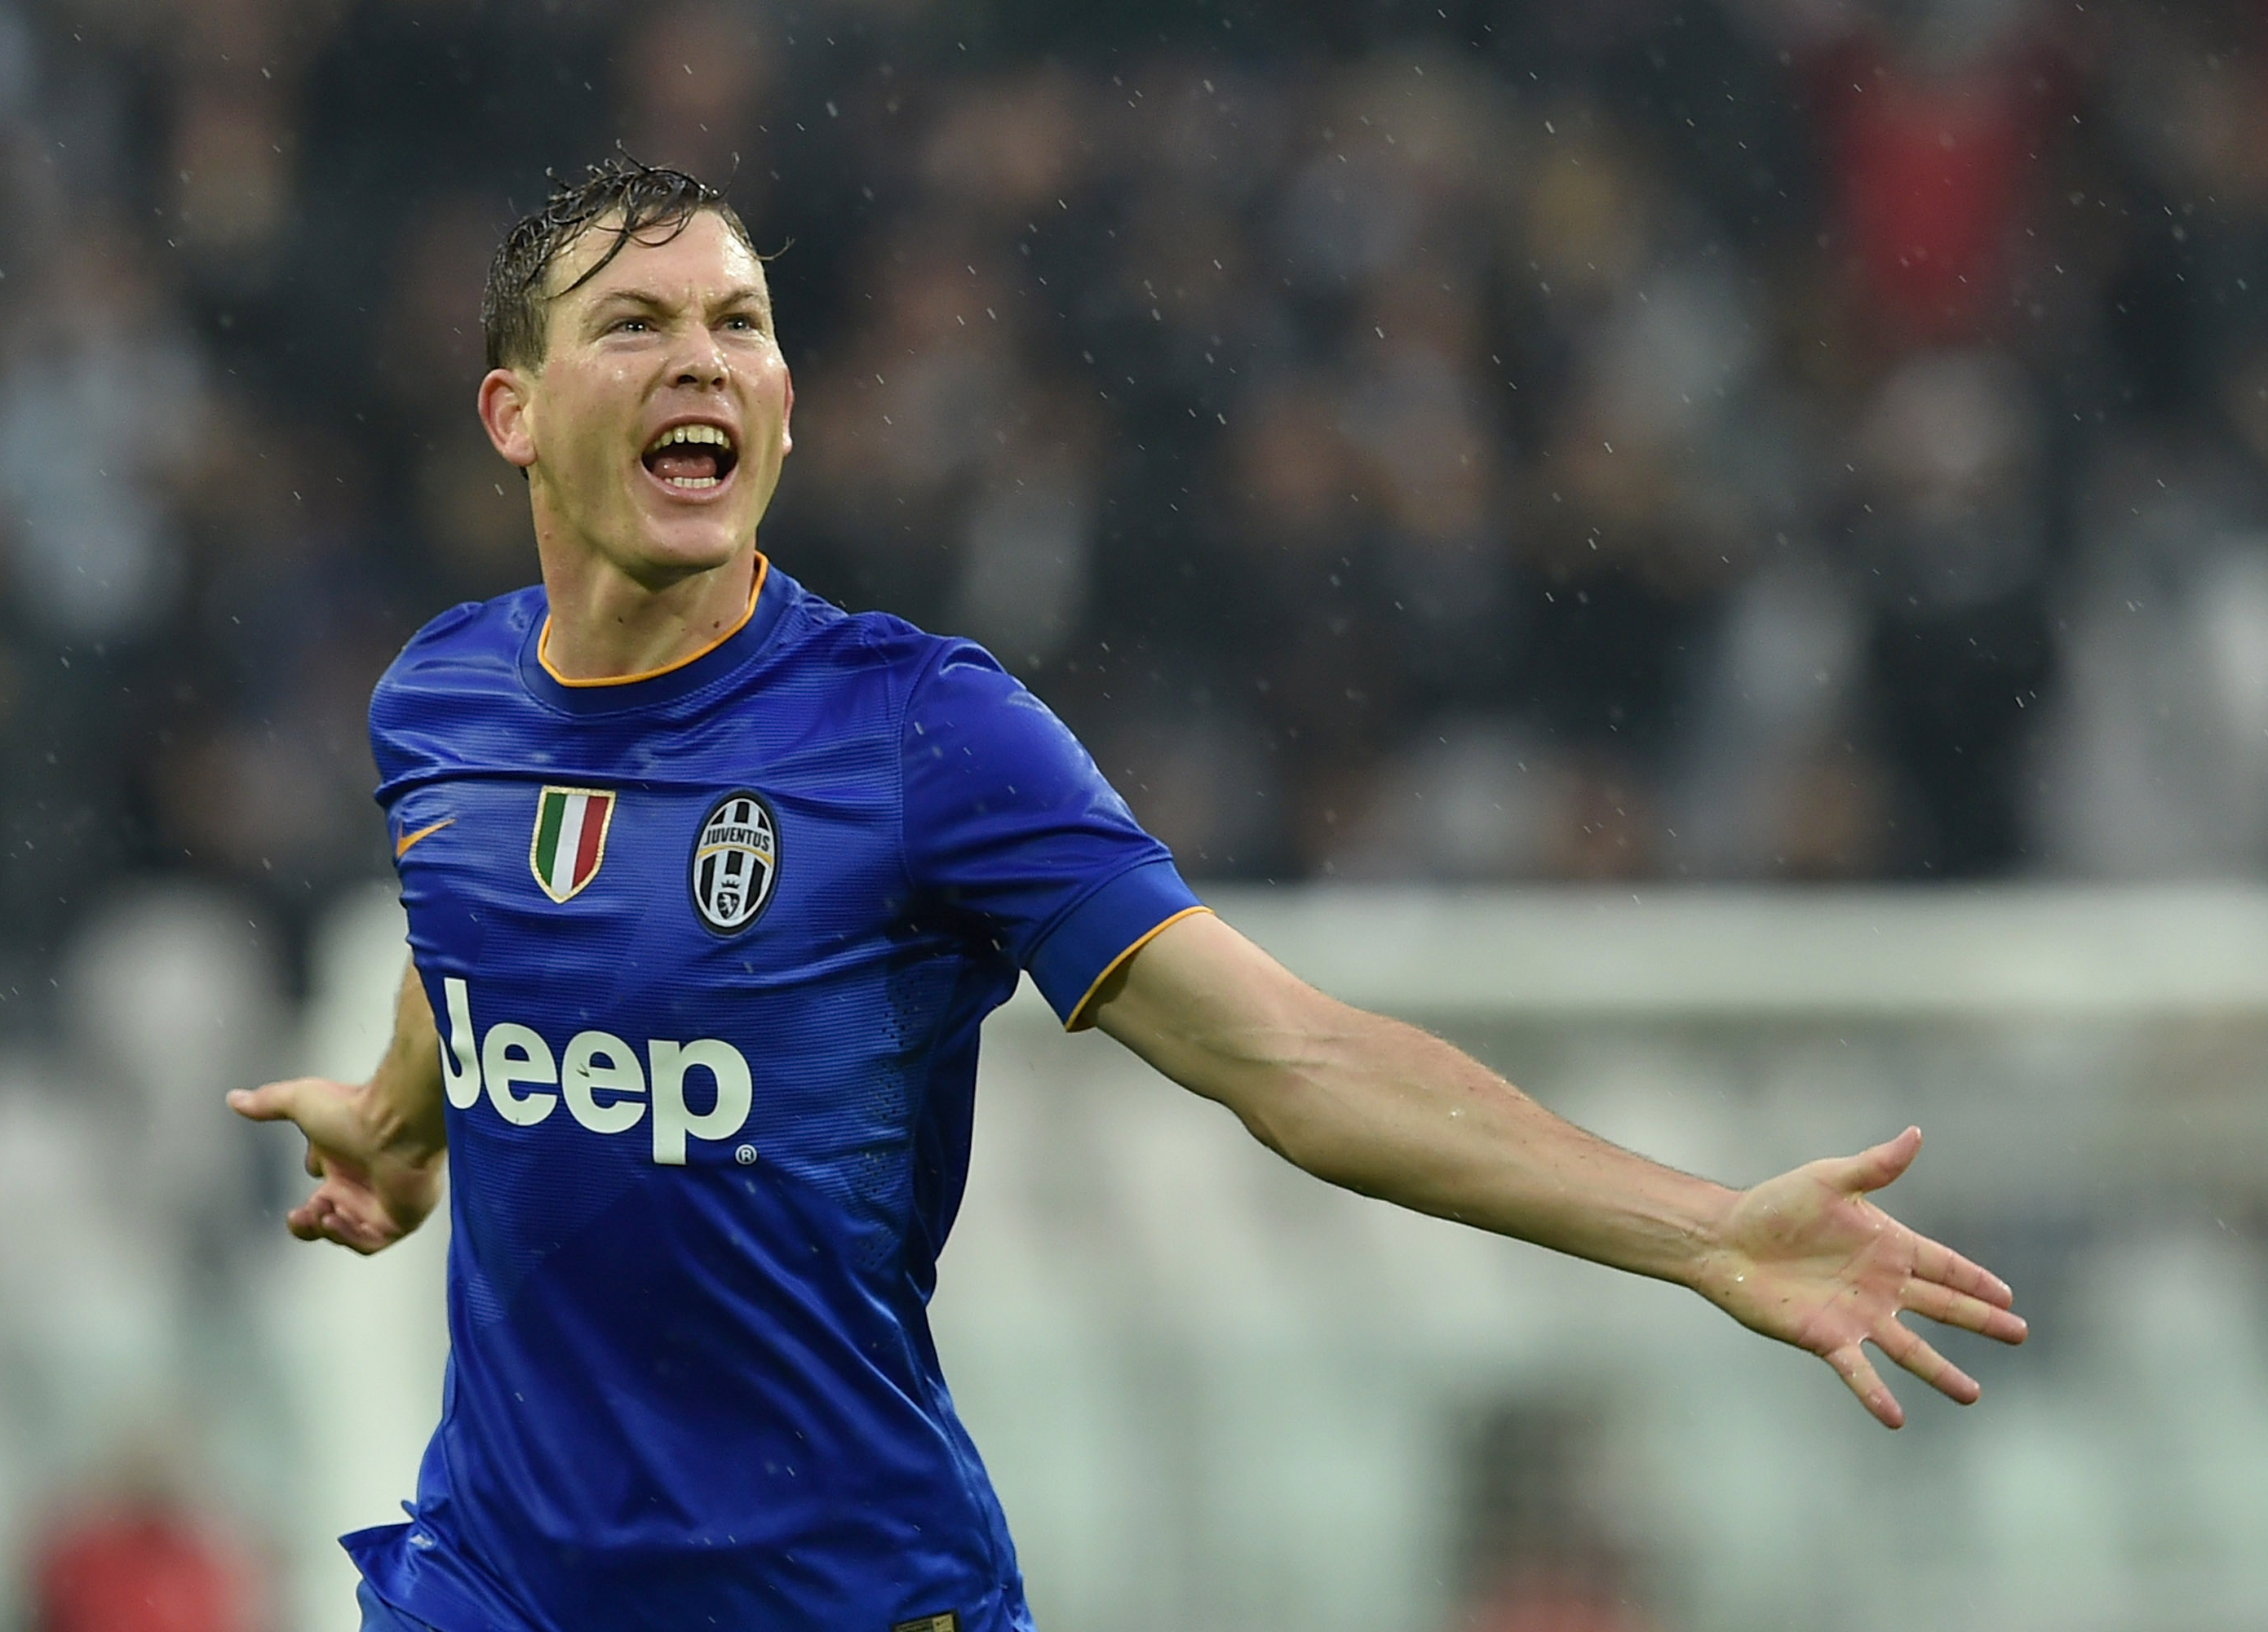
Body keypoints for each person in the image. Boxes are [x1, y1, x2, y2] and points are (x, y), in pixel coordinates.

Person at [228, 160, 2026, 1632]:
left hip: (835, 1594)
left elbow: (1292, 1059)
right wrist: (403, 1120)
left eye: (742, 325)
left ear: (784, 405)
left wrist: (1705, 1227)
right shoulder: (440, 704)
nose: (704, 359)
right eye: (637, 323)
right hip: (494, 1588)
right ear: (513, 415)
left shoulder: (922, 732)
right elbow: (467, 920)